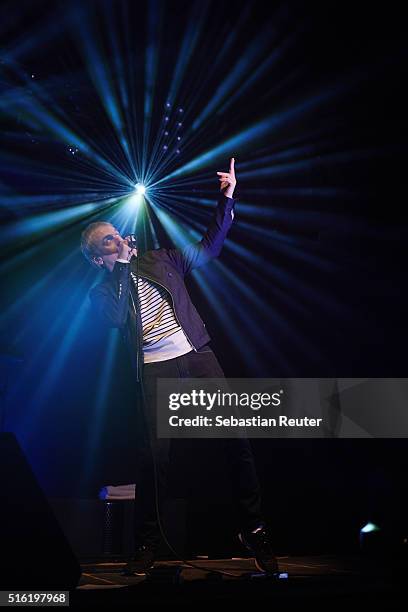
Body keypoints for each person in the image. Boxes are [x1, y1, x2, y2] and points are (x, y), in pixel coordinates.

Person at [80, 158, 278, 574]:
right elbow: (116, 321)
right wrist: (120, 272)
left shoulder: (160, 260)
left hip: (196, 356)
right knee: (156, 459)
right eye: (106, 244)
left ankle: (255, 530)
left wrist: (226, 199)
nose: (117, 242)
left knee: (236, 441)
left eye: (116, 236)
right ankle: (147, 543)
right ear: (97, 258)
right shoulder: (103, 291)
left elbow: (210, 248)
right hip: (156, 368)